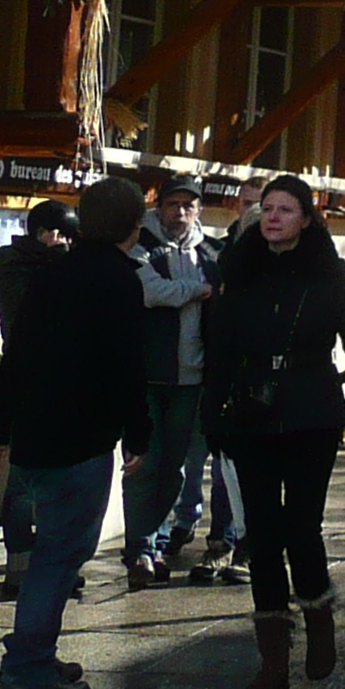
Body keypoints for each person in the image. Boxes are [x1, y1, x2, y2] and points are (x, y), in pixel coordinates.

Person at [206, 176, 345, 689]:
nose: (273, 217)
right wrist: (212, 416)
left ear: (306, 218)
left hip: (311, 408)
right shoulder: (239, 269)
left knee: (302, 526)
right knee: (262, 534)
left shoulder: (328, 273)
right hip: (252, 411)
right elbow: (218, 347)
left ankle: (319, 619)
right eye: (267, 209)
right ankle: (272, 660)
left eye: (286, 210)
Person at [0, 174, 148, 689]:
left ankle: (35, 655)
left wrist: (0, 424)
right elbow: (128, 365)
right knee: (59, 555)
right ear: (134, 224)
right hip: (81, 439)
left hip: (35, 430)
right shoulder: (120, 282)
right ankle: (26, 667)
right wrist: (138, 435)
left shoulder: (51, 275)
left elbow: (19, 353)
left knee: (52, 553)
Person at [123, 177, 212, 589]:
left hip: (191, 378)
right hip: (147, 376)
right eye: (172, 204)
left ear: (198, 210)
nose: (179, 212)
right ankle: (139, 548)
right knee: (143, 465)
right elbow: (150, 292)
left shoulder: (210, 251)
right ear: (158, 207)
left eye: (187, 205)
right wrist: (200, 290)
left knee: (175, 469)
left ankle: (157, 543)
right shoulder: (141, 245)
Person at [0, 198, 78, 580]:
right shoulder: (11, 260)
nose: (69, 244)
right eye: (64, 236)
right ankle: (20, 563)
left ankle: (55, 565)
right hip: (25, 380)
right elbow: (26, 310)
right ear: (45, 233)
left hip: (68, 383)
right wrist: (58, 260)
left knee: (67, 483)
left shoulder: (67, 265)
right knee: (23, 481)